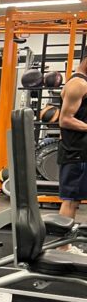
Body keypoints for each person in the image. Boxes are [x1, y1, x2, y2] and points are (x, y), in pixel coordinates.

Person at [57, 54, 87, 243]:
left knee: (74, 200)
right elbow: (65, 119)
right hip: (76, 152)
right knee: (70, 200)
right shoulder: (78, 84)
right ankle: (61, 247)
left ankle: (63, 246)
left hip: (81, 152)